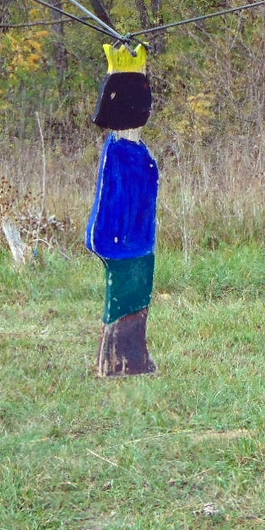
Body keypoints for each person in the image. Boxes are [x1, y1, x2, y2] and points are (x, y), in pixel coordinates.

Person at [86, 44, 158, 377]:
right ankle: (116, 360)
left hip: (141, 243)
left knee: (137, 297)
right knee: (123, 300)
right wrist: (111, 239)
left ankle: (132, 357)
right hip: (122, 243)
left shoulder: (138, 151)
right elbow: (112, 201)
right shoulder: (119, 153)